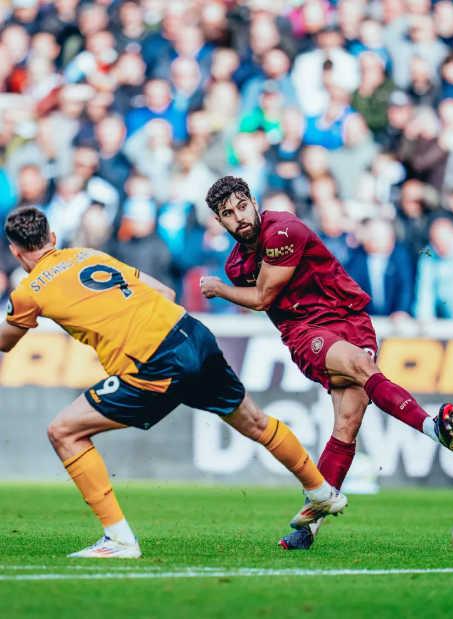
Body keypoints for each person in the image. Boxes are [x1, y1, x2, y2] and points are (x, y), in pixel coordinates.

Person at [0, 206, 347, 559]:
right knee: (255, 422)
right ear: (52, 237)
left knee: (64, 432)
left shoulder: (28, 292)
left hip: (153, 361)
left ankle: (118, 540)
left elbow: (5, 342)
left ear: (15, 251)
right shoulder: (88, 255)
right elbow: (165, 292)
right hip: (191, 333)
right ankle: (321, 491)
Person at [200, 176, 453, 550]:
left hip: (351, 319)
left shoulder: (283, 230)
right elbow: (263, 298)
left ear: (254, 202)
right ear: (219, 221)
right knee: (360, 367)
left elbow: (261, 297)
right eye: (228, 213)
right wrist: (228, 285)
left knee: (347, 424)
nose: (239, 216)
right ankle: (432, 427)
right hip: (305, 331)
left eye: (243, 206)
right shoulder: (237, 265)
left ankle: (307, 530)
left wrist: (218, 289)